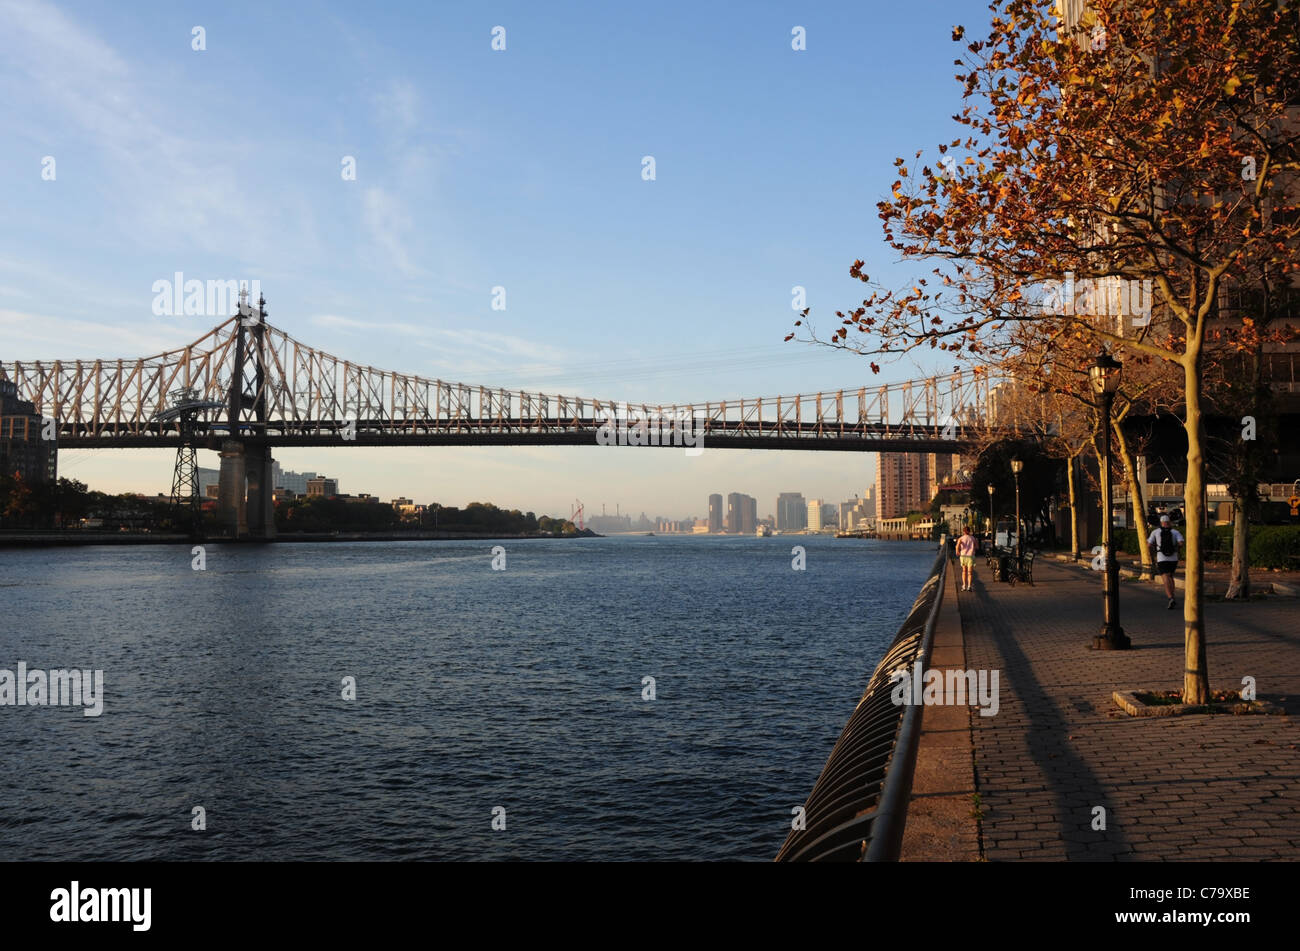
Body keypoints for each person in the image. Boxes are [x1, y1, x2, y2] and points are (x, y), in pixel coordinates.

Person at [1147, 513, 1185, 609]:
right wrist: (1174, 548)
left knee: (1165, 577)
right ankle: (1173, 595)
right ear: (1169, 522)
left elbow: (1149, 545)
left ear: (1161, 523)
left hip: (1161, 557)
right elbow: (1181, 543)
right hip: (1173, 558)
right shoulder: (1175, 532)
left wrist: (1157, 547)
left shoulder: (1155, 532)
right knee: (1170, 576)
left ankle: (1170, 597)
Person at [956, 525, 978, 591]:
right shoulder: (973, 538)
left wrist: (957, 551)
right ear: (969, 531)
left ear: (963, 531)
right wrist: (972, 548)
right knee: (970, 572)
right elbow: (977, 547)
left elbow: (957, 546)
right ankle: (969, 586)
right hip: (970, 556)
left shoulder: (961, 538)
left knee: (964, 571)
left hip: (963, 556)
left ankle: (964, 586)